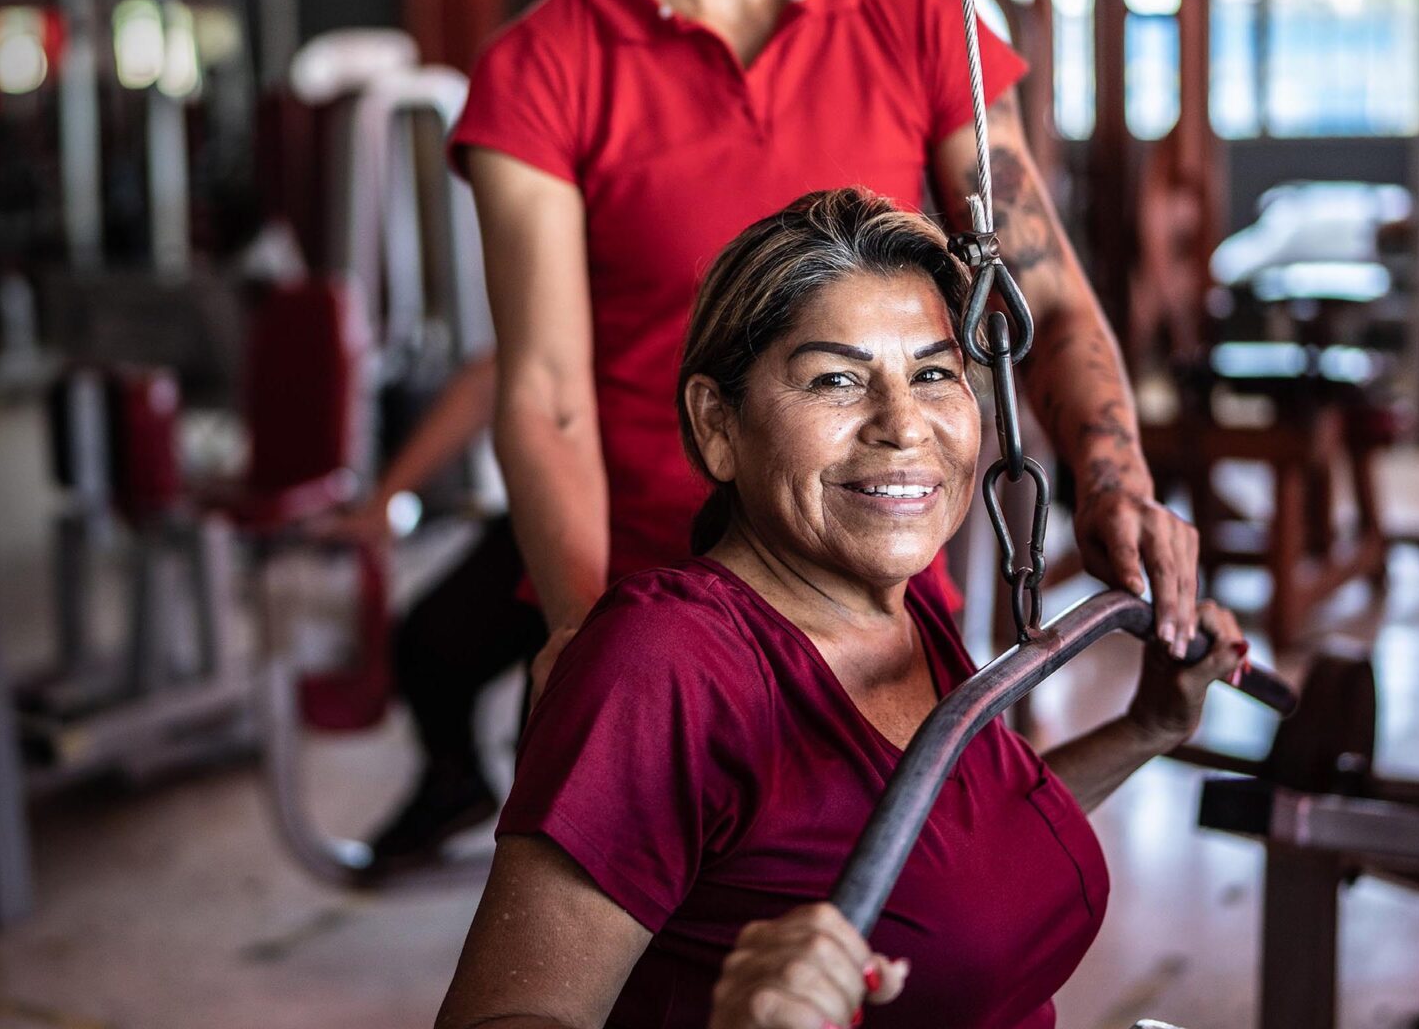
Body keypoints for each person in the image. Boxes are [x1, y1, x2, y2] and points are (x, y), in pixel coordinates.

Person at [451, 0, 1205, 704]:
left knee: (950, 868)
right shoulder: (539, 66)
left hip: (886, 603)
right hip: (661, 628)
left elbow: (1040, 298)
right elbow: (546, 391)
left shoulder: (917, 22)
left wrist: (1113, 484)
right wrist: (581, 633)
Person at [436, 189, 1247, 1029]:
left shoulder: (897, 609)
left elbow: (948, 854)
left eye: (934, 373)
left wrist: (1148, 727)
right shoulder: (664, 663)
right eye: (836, 380)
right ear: (717, 425)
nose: (903, 425)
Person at [316, 351, 548, 872]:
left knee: (557, 755)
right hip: (556, 502)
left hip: (659, 519)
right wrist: (382, 502)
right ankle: (454, 782)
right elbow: (491, 377)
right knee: (428, 643)